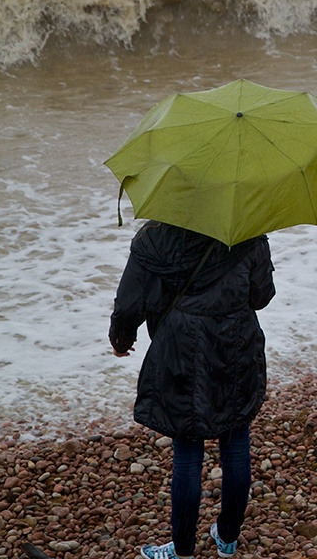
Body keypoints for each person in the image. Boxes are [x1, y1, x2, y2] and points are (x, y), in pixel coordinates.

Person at [110, 221, 275, 559]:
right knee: (235, 440)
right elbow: (261, 296)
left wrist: (121, 339)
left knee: (187, 451)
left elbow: (129, 304)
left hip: (180, 350)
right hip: (236, 344)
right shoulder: (247, 228)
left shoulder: (154, 237)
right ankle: (227, 539)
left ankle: (183, 550)